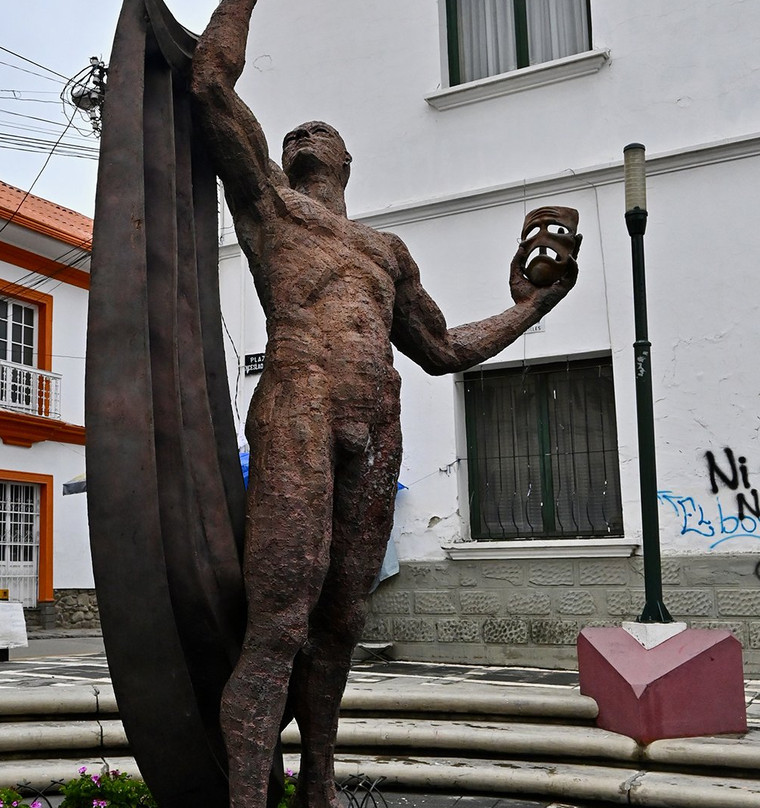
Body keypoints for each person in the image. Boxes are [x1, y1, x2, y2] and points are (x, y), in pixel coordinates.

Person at [189, 2, 582, 807]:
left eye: (319, 131)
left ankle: (319, 784)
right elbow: (208, 83)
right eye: (293, 130)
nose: (303, 134)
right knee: (279, 623)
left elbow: (445, 351)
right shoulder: (268, 205)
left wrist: (533, 308)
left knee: (338, 627)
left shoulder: (384, 251)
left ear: (346, 160)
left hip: (381, 425)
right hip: (300, 399)